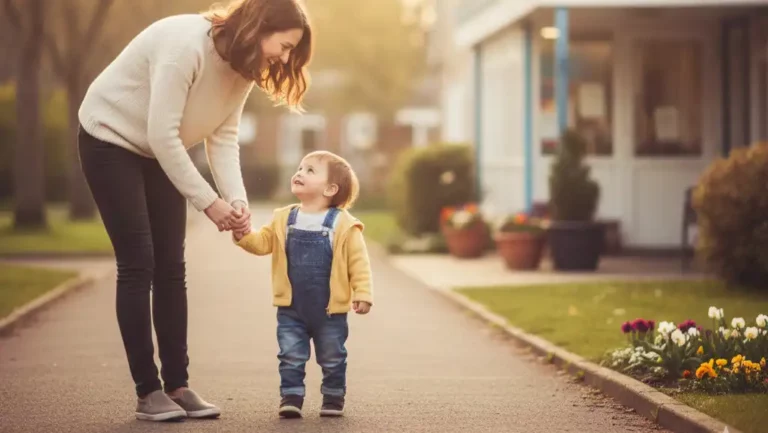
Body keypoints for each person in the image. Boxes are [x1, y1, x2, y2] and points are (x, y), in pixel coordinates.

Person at [76, 0, 312, 422]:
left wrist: (236, 201)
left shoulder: (244, 67)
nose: (285, 58)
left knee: (171, 265)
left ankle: (178, 386)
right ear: (260, 27)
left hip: (158, 149)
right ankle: (148, 392)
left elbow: (224, 136)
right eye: (286, 46)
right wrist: (209, 203)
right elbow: (162, 134)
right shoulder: (185, 45)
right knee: (139, 263)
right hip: (110, 138)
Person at [233, 150, 373, 418]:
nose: (299, 173)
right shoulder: (284, 218)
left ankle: (333, 397)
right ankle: (291, 396)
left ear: (330, 189)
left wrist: (363, 293)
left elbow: (358, 262)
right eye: (300, 168)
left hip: (330, 311)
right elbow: (262, 243)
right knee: (290, 355)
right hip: (291, 307)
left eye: (310, 171)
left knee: (332, 357)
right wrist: (243, 234)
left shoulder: (343, 224)